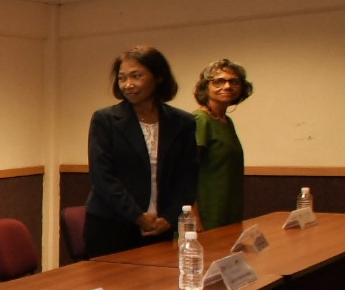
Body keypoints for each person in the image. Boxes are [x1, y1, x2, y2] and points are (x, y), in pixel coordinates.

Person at [83, 46, 198, 258]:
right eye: (122, 78)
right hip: (112, 225)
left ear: (158, 76)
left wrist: (170, 217)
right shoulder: (105, 120)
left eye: (136, 76)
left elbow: (188, 176)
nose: (128, 85)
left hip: (161, 225)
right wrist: (137, 216)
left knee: (159, 287)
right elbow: (103, 177)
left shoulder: (183, 123)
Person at [193, 59, 254, 230]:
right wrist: (194, 219)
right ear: (205, 87)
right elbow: (185, 174)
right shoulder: (201, 120)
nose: (227, 86)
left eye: (233, 81)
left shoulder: (227, 122)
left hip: (229, 211)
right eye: (219, 81)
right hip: (206, 215)